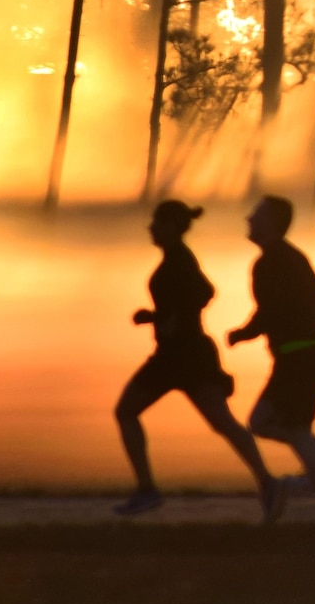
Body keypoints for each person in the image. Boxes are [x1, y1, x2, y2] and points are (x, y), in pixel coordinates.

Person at [113, 200, 280, 519]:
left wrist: (170, 317)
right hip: (183, 354)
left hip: (183, 355)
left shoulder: (178, 261)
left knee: (129, 411)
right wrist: (157, 315)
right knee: (221, 423)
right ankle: (267, 482)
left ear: (171, 228)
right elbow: (200, 294)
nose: (151, 228)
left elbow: (200, 294)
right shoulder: (178, 259)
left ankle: (148, 491)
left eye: (157, 223)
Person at [227, 196, 315, 526]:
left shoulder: (270, 262)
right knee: (261, 422)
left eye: (255, 216)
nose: (248, 220)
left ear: (271, 223)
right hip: (299, 358)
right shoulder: (293, 258)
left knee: (294, 431)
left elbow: (270, 309)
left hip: (298, 359)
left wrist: (244, 333)